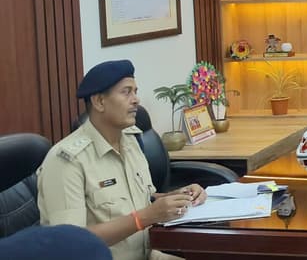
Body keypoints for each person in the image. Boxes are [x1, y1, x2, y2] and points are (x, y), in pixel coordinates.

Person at [37, 59, 208, 260]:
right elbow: (70, 243)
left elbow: (142, 199)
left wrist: (178, 196)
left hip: (149, 253)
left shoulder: (130, 139)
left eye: (135, 91)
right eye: (126, 92)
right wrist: (145, 217)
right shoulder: (66, 161)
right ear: (99, 102)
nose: (136, 100)